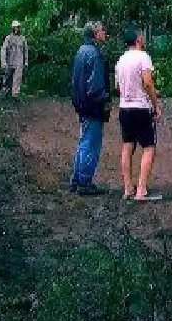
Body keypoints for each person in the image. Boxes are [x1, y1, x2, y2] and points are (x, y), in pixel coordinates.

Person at [116, 27, 163, 201]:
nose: (143, 37)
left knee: (127, 146)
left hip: (124, 108)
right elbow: (148, 83)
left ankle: (128, 188)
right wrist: (155, 104)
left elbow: (119, 87)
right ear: (137, 40)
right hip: (141, 109)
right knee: (149, 147)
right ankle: (141, 190)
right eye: (141, 35)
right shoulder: (143, 57)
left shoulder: (121, 60)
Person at [69, 21, 110, 195]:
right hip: (93, 106)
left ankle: (77, 179)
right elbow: (95, 87)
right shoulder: (94, 54)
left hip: (82, 104)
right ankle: (84, 182)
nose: (105, 33)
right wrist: (106, 99)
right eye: (102, 30)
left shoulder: (81, 51)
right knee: (91, 144)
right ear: (95, 34)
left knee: (84, 141)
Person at [0, 20, 29, 97]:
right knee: (8, 79)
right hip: (9, 62)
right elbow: (3, 50)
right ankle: (6, 93)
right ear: (13, 28)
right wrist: (3, 63)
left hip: (19, 63)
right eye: (16, 27)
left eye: (18, 27)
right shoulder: (8, 38)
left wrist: (26, 62)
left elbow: (25, 51)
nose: (17, 29)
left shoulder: (23, 39)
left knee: (17, 79)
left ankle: (15, 96)